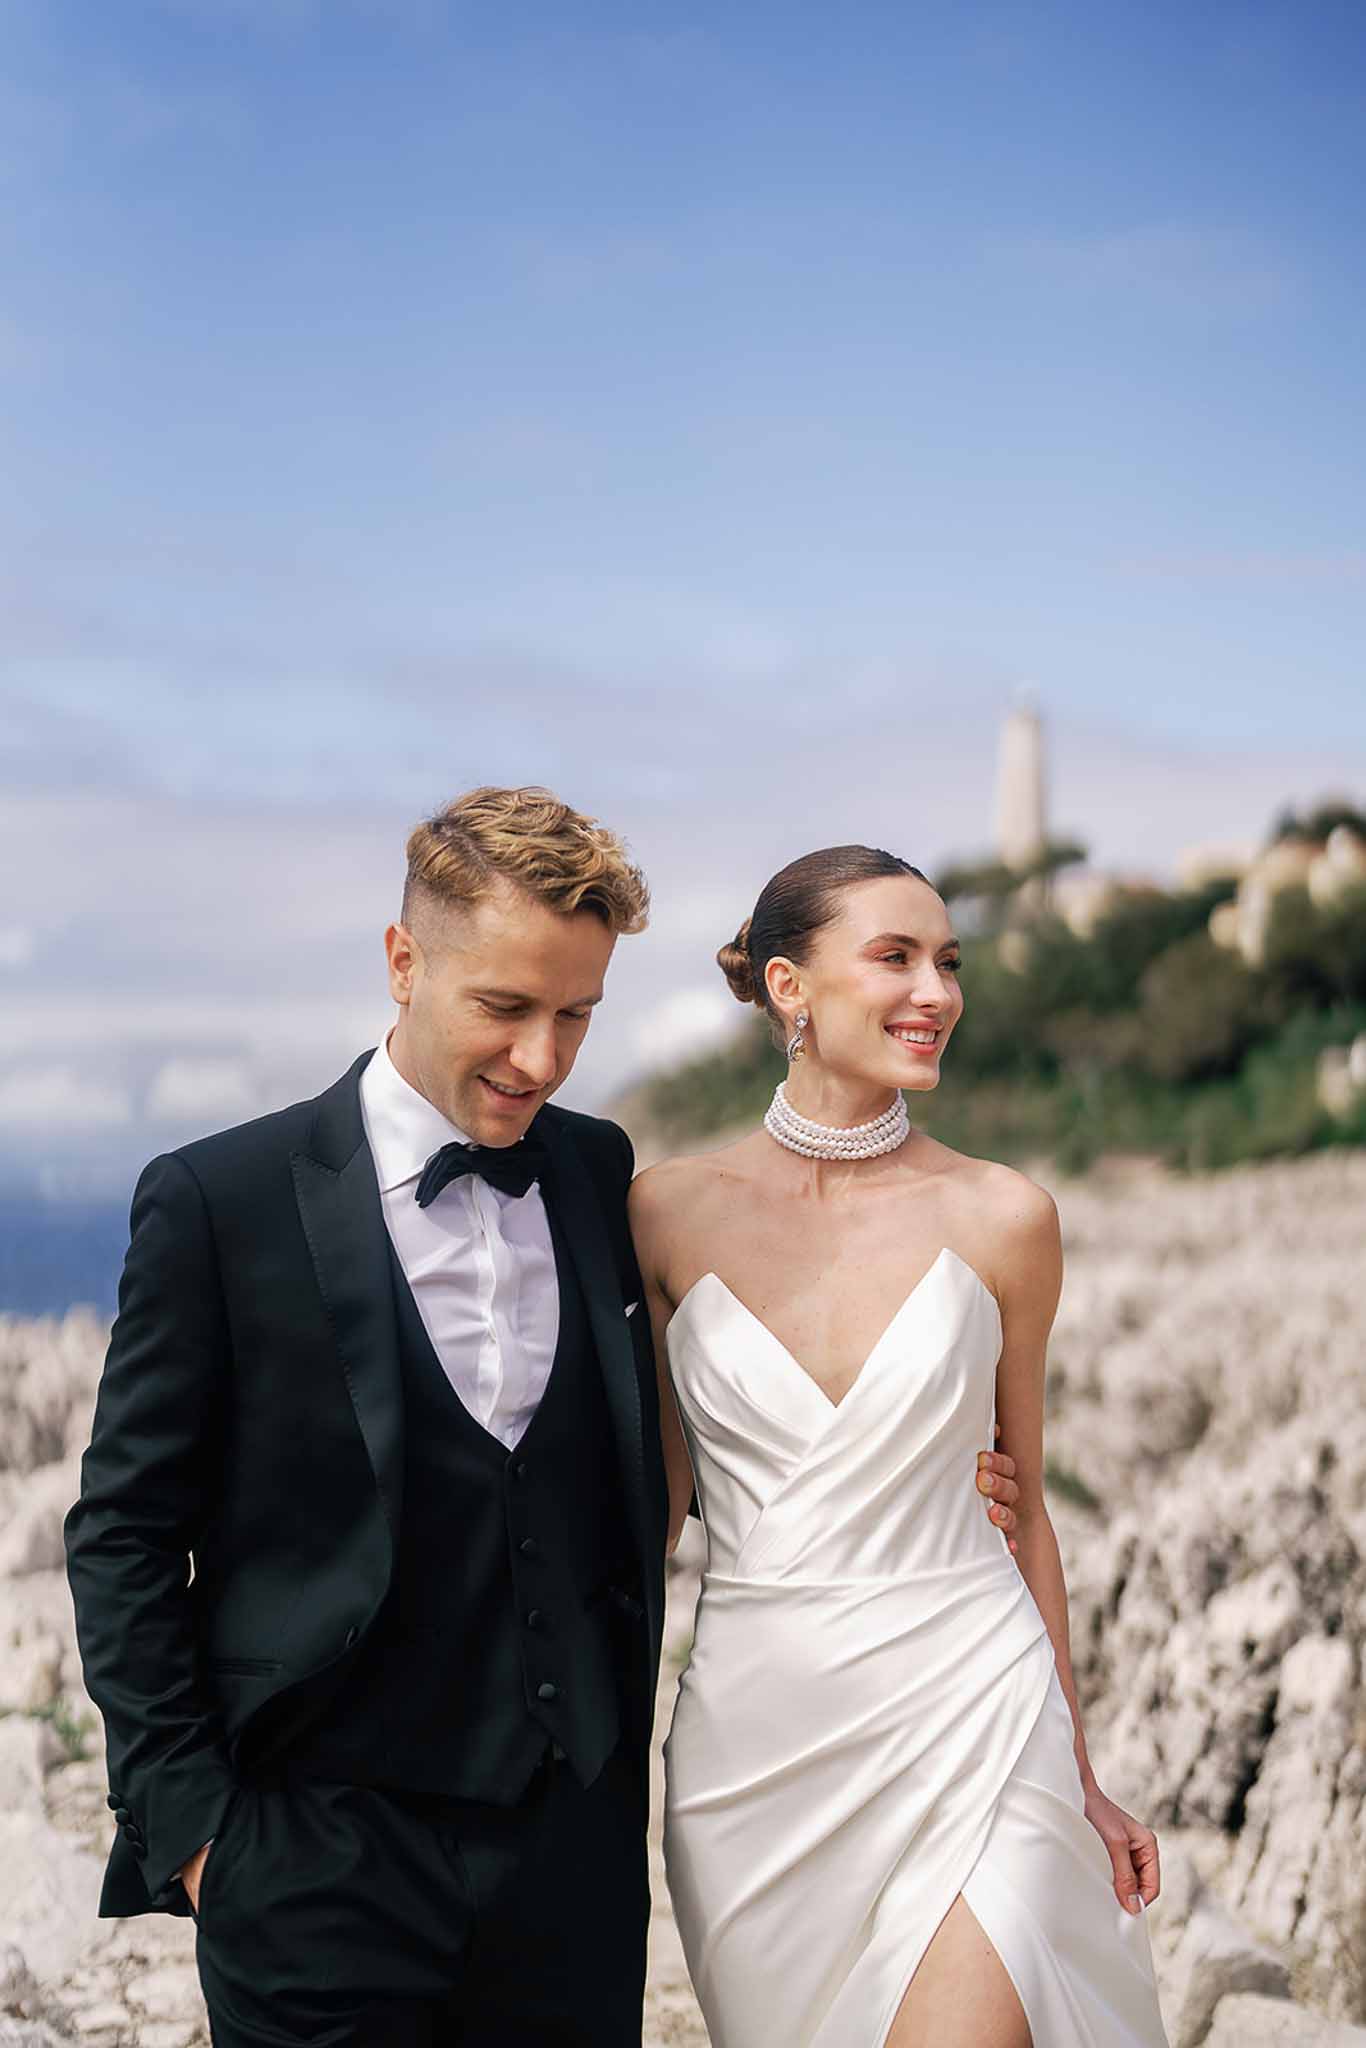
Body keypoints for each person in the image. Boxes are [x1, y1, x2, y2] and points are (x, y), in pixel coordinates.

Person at [64, 788, 1023, 2047]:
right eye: (505, 1008)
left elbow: (703, 1424)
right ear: (404, 962)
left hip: (566, 1871)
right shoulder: (217, 1200)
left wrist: (921, 1468)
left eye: (576, 1015)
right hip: (311, 1866)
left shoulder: (595, 1173)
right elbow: (123, 1534)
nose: (542, 1059)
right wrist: (198, 1836)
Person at [629, 844, 1171, 2048]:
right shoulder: (662, 1210)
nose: (937, 990)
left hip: (976, 1706)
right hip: (757, 1751)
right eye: (896, 956)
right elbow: (651, 1513)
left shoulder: (1006, 1214)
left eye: (949, 961)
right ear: (789, 986)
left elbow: (1024, 1508)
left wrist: (1078, 1772)